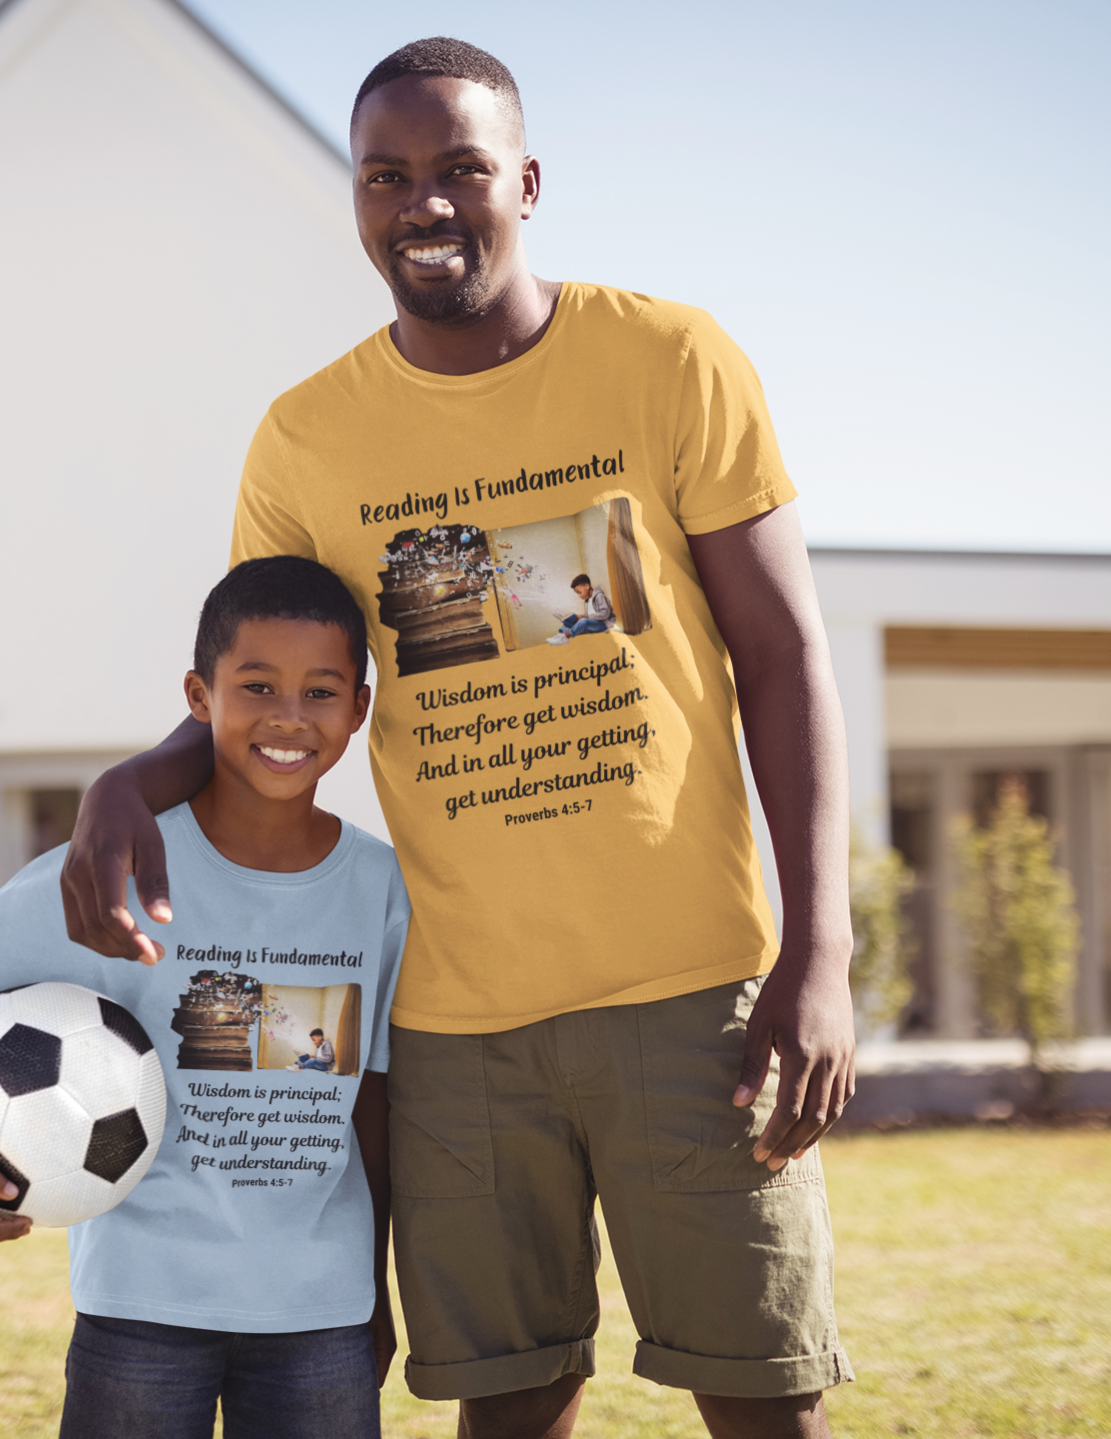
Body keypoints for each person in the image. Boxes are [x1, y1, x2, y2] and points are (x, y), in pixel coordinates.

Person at [59, 37, 856, 1439]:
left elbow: (786, 656)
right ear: (357, 200)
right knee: (508, 1396)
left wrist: (823, 951)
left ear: (526, 182)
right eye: (389, 176)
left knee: (763, 1394)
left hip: (693, 997)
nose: (425, 204)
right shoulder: (307, 439)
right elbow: (268, 702)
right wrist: (134, 776)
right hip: (454, 1019)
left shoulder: (671, 357)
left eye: (460, 170)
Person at [0, 557, 408, 1439]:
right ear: (200, 696)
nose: (288, 716)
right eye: (257, 685)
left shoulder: (382, 888)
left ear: (359, 707)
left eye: (321, 692)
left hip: (317, 1311)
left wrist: (375, 1283)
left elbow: (376, 1103)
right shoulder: (120, 864)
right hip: (140, 1304)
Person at [549, 574, 614, 644]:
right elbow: (586, 615)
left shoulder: (599, 596)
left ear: (587, 586)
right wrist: (579, 618)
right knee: (569, 622)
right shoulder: (587, 601)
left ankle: (565, 637)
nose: (579, 596)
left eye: (579, 592)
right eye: (577, 594)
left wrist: (586, 617)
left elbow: (605, 614)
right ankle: (560, 635)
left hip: (602, 625)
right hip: (591, 625)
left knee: (583, 621)